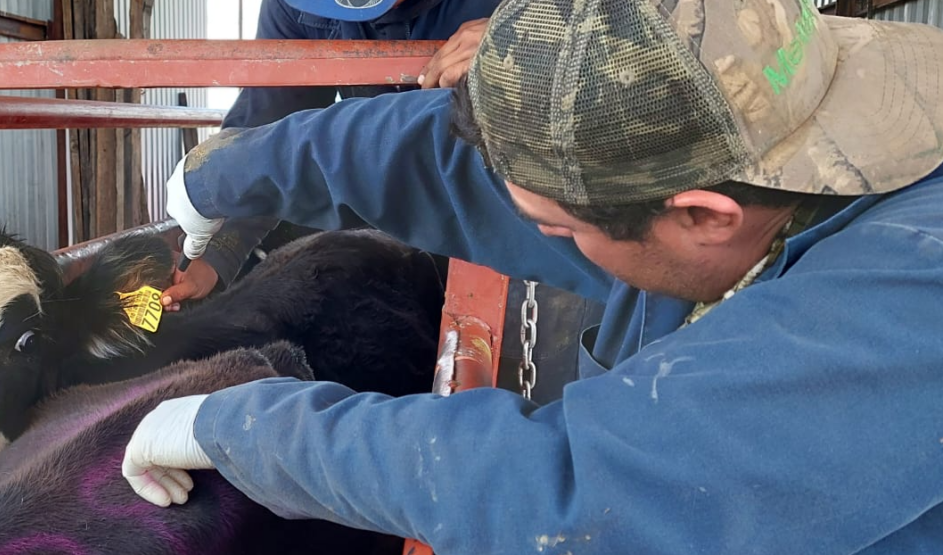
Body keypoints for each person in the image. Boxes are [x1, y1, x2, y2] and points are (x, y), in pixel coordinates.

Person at [125, 0, 943, 552]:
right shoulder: (762, 131)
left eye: (557, 228)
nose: (541, 236)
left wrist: (244, 429)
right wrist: (230, 176)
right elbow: (453, 170)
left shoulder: (906, 308)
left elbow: (584, 492)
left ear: (700, 216)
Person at [160, 0, 500, 310]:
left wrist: (523, 32)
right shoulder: (300, 7)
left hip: (512, 194)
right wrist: (213, 253)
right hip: (411, 209)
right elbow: (267, 124)